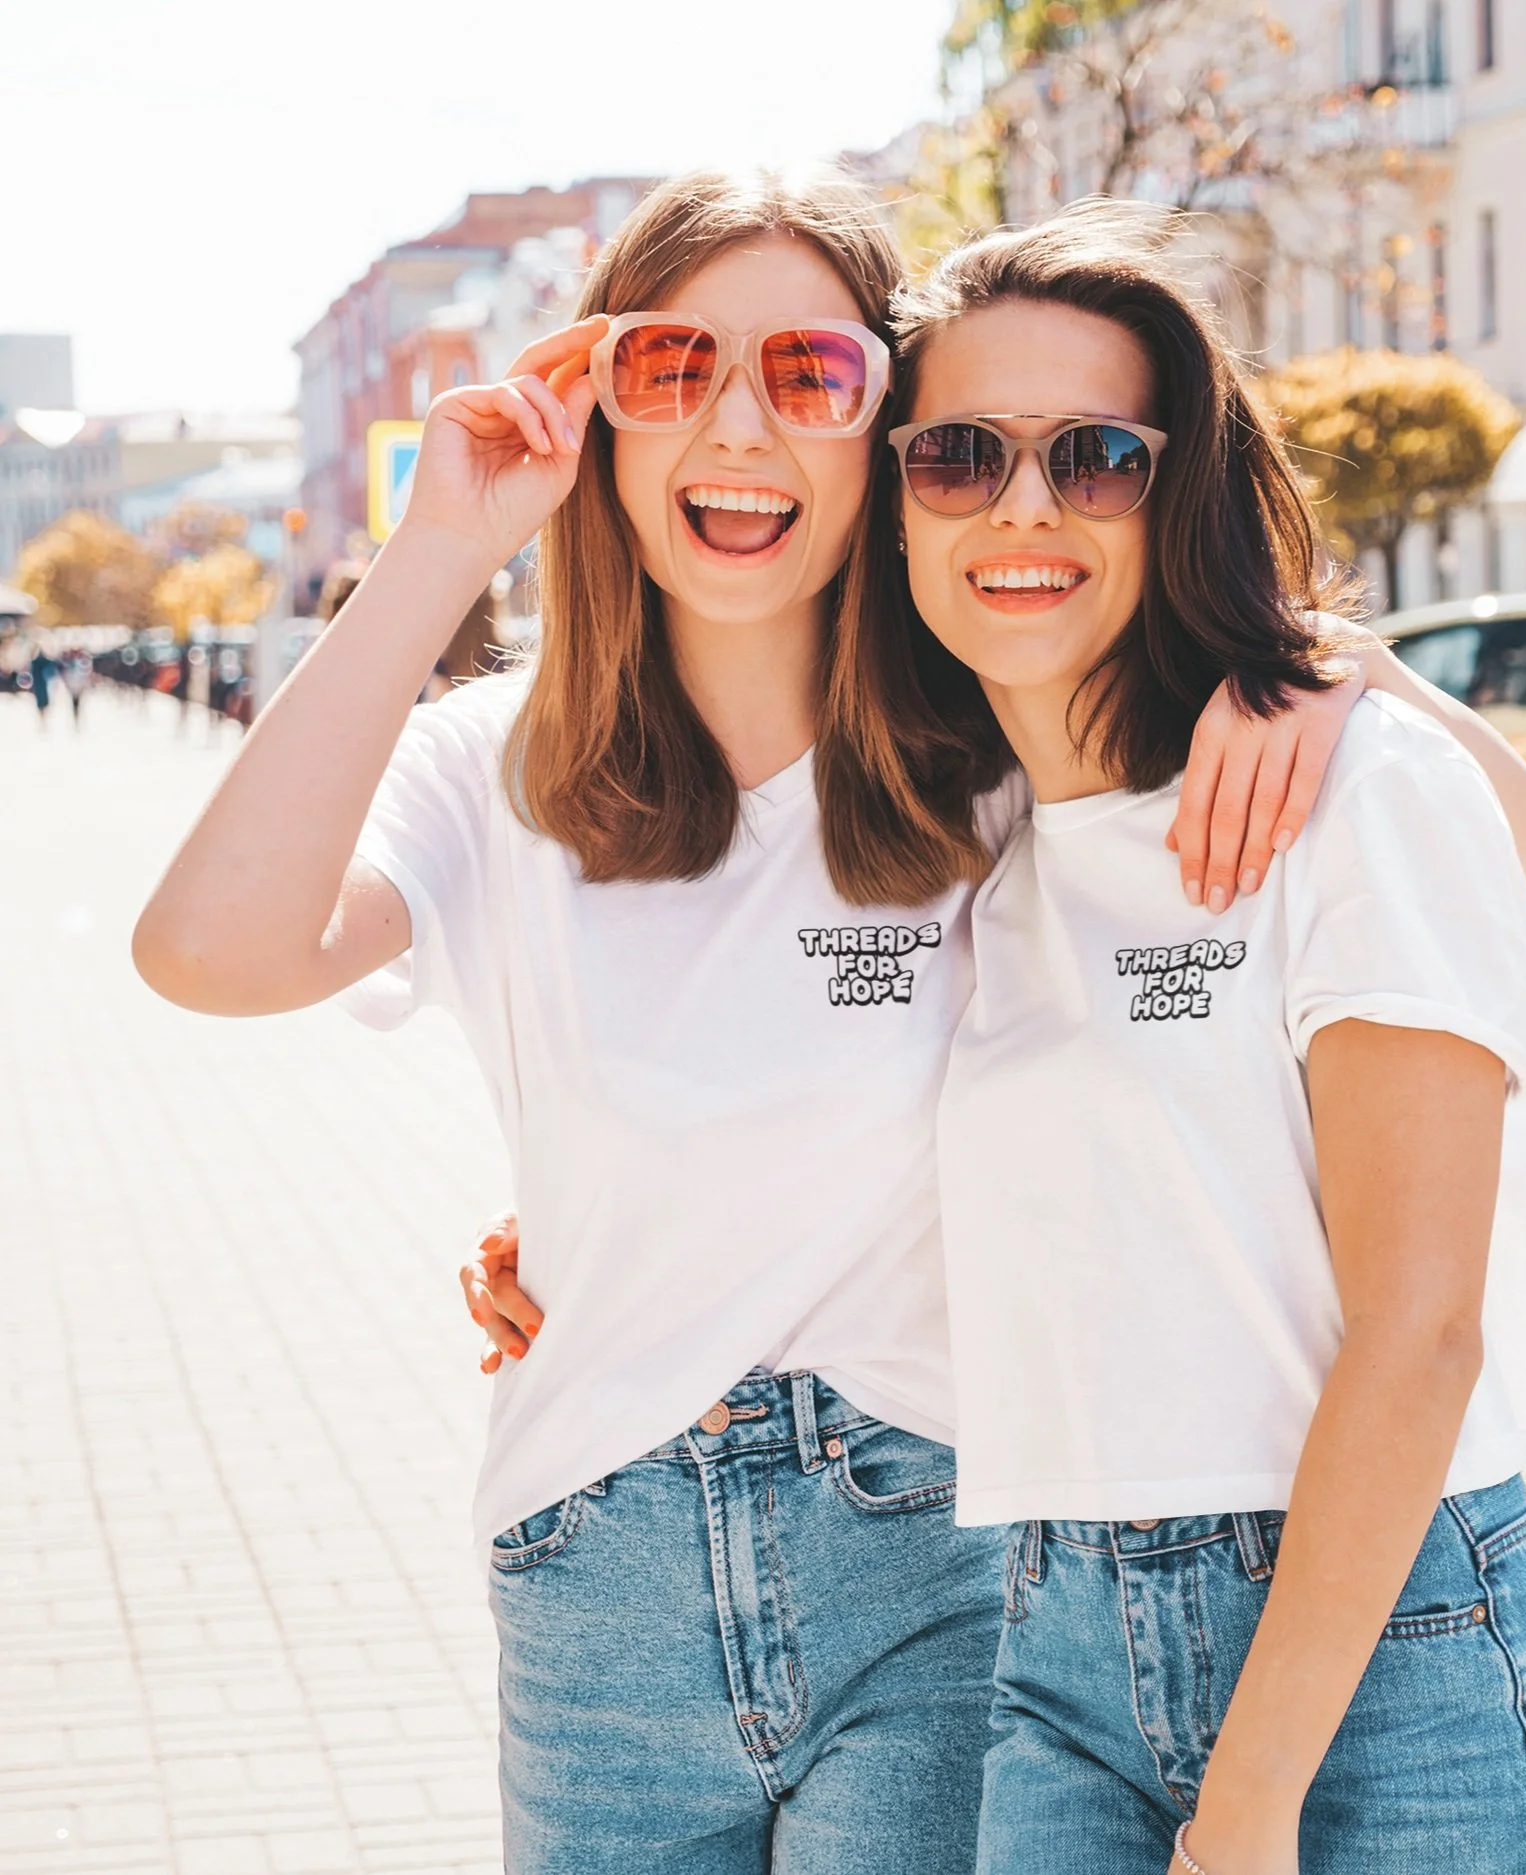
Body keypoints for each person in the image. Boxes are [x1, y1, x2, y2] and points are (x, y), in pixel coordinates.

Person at [131, 171, 1360, 1875]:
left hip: (933, 1547)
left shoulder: (1017, 756)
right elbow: (209, 950)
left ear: (889, 427)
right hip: (595, 1564)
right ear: (599, 416)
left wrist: (1324, 678)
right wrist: (441, 544)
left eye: (809, 374)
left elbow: (1494, 866)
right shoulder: (489, 771)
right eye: (667, 367)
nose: (735, 425)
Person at [858, 204, 1526, 1875]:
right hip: (1053, 1638)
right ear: (893, 504)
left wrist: (1251, 1803)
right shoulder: (962, 846)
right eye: (955, 457)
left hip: (1383, 1648)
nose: (1023, 505)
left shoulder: (1352, 791)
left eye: (1098, 456)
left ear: (1178, 485)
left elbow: (1421, 1331)